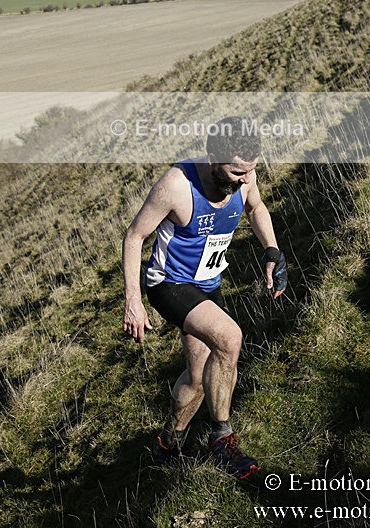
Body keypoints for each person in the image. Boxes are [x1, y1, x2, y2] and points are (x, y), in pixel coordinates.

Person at [122, 116, 288, 479]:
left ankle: (169, 441)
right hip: (169, 283)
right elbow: (134, 236)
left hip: (207, 283)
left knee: (198, 377)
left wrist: (272, 251)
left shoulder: (245, 176)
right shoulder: (176, 185)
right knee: (229, 339)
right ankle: (221, 440)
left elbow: (256, 208)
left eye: (250, 171)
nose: (245, 179)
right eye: (237, 172)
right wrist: (133, 300)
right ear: (213, 157)